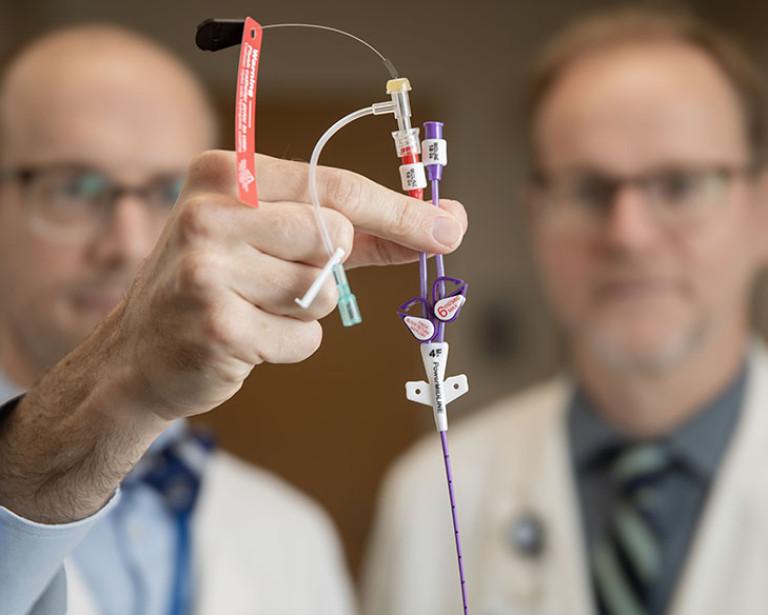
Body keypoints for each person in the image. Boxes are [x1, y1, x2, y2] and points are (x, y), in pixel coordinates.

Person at [0, 25, 468, 615]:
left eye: (171, 191)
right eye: (75, 188)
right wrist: (111, 389)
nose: (129, 245)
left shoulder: (294, 537)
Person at [363, 7, 768, 615]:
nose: (629, 235)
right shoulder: (429, 501)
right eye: (587, 189)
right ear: (535, 217)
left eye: (680, 184)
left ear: (761, 208)